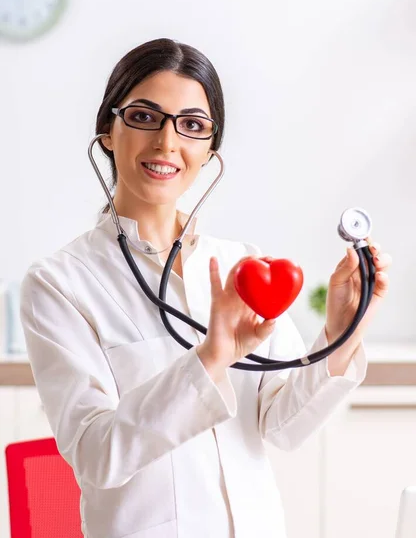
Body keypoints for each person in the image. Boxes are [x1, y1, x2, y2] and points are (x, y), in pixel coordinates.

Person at [20, 38, 392, 538]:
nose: (167, 143)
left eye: (192, 126)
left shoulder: (240, 265)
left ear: (209, 149)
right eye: (145, 117)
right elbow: (97, 455)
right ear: (108, 130)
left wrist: (340, 333)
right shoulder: (59, 284)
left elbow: (282, 427)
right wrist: (210, 358)